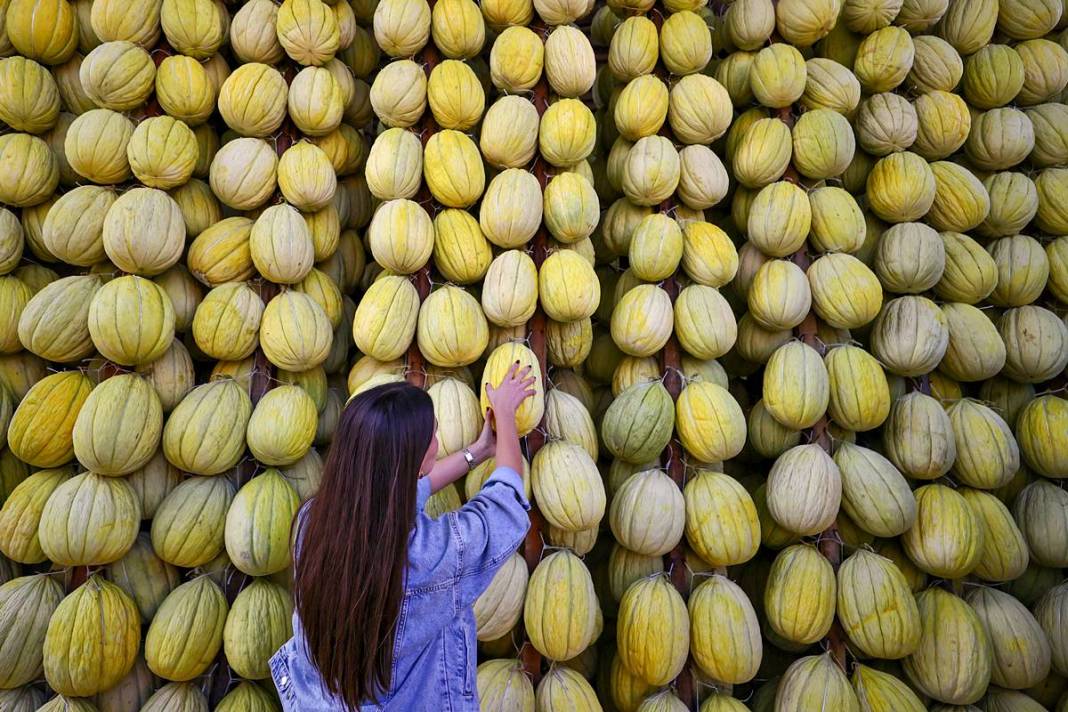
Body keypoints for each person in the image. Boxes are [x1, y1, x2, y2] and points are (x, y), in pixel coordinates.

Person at [269, 363, 536, 711]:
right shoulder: (428, 557)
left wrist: (478, 452)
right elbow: (505, 506)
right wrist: (506, 415)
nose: (438, 440)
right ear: (414, 461)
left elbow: (402, 492)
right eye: (434, 433)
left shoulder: (314, 520)